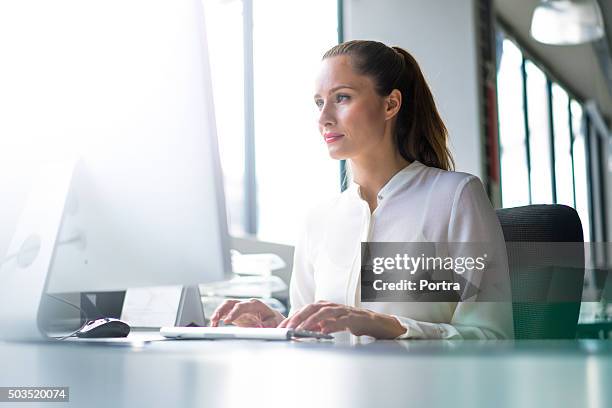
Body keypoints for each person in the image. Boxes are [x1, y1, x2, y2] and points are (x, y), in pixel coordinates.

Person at [211, 40, 514, 339]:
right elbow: (309, 336)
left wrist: (392, 326)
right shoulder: (319, 219)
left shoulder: (453, 197)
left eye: (341, 98)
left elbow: (491, 337)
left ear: (390, 104)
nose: (324, 117)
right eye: (319, 102)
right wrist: (279, 326)